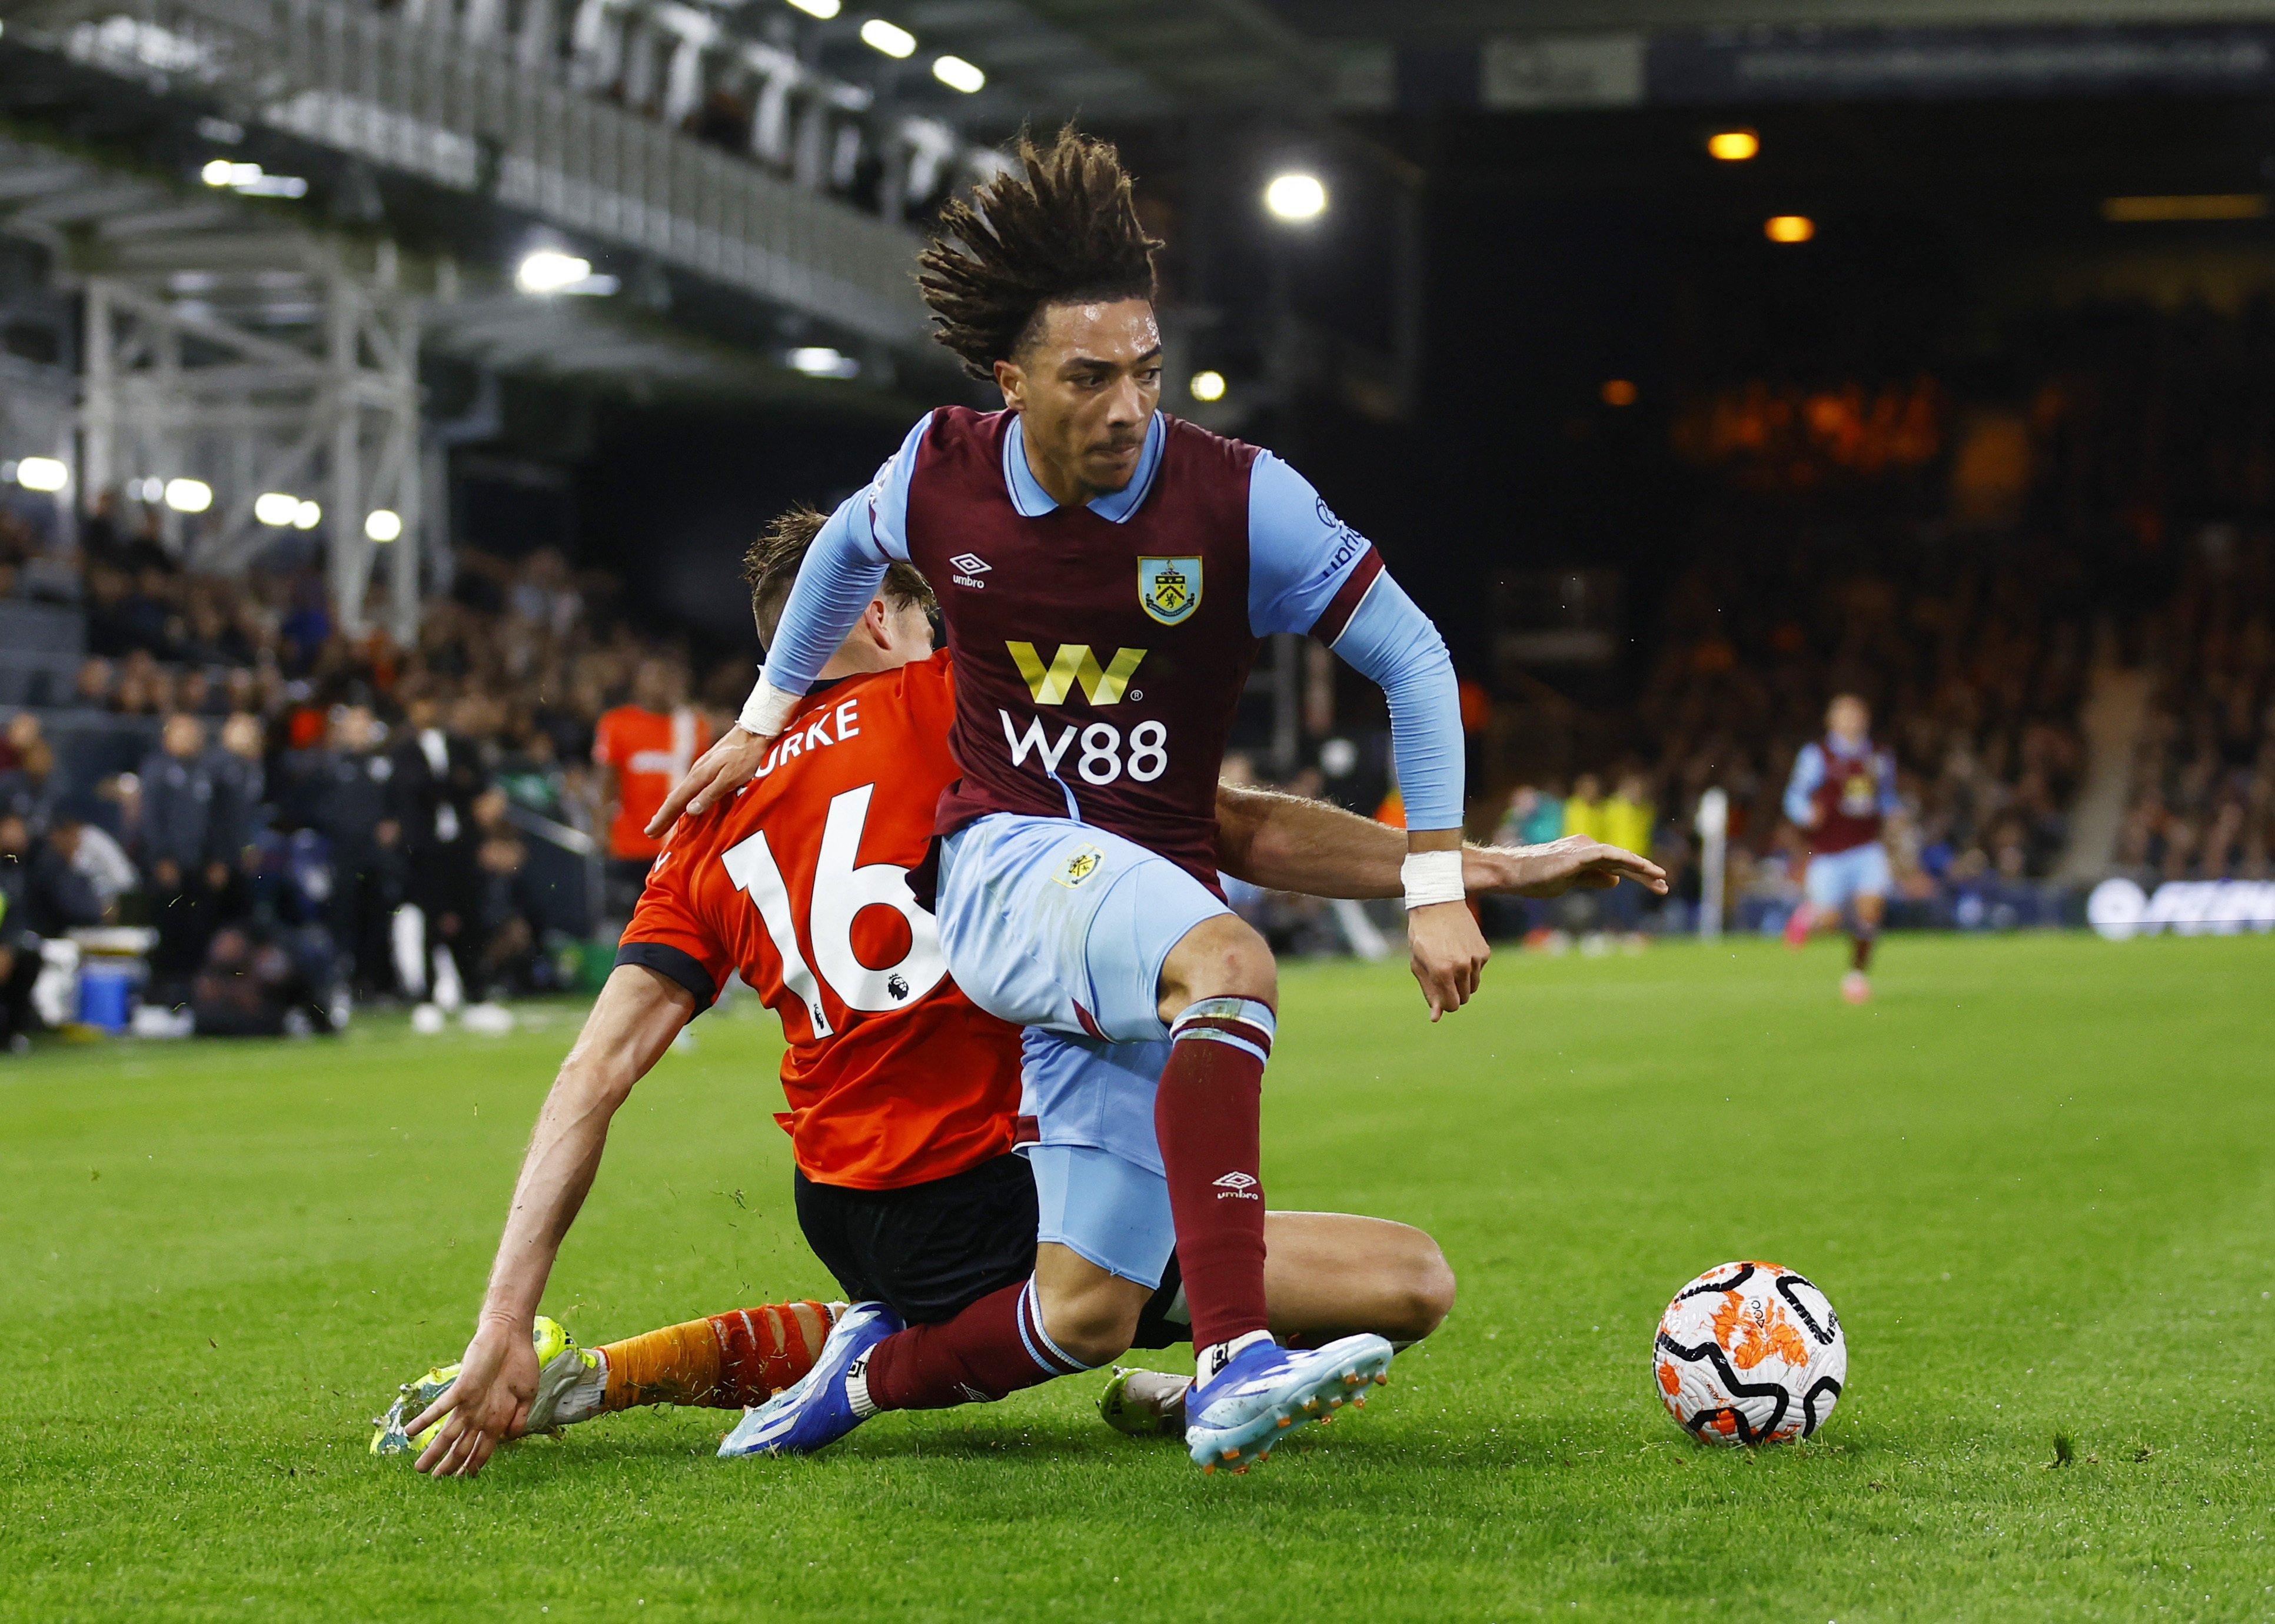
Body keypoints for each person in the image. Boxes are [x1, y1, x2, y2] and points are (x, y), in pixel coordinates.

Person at [398, 505, 1664, 1479]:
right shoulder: (964, 704)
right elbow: (1236, 829)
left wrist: (504, 1309)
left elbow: (597, 1070)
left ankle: (597, 1366)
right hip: (998, 1181)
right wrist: (1482, 868)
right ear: (898, 615)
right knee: (1406, 1282)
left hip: (843, 1198)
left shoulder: (712, 816)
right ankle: (939, 1361)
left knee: (996, 1260)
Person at [651, 127, 1498, 1476]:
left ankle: (858, 1385)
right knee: (1232, 959)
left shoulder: (1238, 501)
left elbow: (1413, 652)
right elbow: (840, 556)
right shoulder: (943, 472)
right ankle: (1234, 1358)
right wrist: (760, 723)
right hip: (1004, 872)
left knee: (1086, 1308)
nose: (1127, 407)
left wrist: (1442, 879)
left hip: (1134, 913)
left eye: (1146, 372)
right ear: (1012, 379)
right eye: (1089, 378)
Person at [1782, 694, 1901, 1003]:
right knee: (1830, 921)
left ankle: (1857, 975)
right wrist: (1806, 812)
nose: (1852, 722)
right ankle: (1809, 915)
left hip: (1866, 847)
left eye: (1856, 715)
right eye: (1845, 715)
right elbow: (1794, 796)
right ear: (1832, 721)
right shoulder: (1817, 755)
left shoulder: (1878, 756)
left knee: (1871, 910)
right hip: (1829, 851)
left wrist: (1894, 813)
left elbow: (1886, 795)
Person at [591, 658, 710, 920]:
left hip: (678, 842)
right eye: (652, 677)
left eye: (665, 678)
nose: (659, 684)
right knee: (632, 918)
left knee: (675, 918)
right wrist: (600, 827)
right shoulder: (616, 723)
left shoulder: (692, 726)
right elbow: (605, 781)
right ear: (638, 682)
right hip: (630, 842)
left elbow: (705, 782)